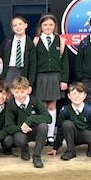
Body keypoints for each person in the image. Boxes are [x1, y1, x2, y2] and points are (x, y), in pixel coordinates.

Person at [48, 81, 91, 162]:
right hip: (73, 136)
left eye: (80, 93)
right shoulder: (64, 110)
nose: (77, 96)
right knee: (66, 124)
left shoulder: (90, 110)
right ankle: (71, 151)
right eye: (74, 94)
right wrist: (55, 148)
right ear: (69, 96)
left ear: (85, 96)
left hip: (87, 134)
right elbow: (60, 130)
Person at [33, 14, 68, 144]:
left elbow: (65, 63)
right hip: (40, 76)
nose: (48, 27)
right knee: (42, 106)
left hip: (55, 76)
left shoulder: (60, 41)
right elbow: (33, 62)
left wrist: (64, 80)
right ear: (41, 26)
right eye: (45, 25)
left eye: (50, 25)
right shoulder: (36, 41)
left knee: (52, 105)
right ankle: (42, 134)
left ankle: (50, 135)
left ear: (55, 26)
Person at [5, 76, 51, 168]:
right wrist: (22, 127)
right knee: (19, 138)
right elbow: (9, 127)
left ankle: (37, 156)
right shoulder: (11, 105)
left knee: (43, 126)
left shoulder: (35, 101)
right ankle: (24, 150)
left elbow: (48, 118)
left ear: (28, 90)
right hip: (20, 132)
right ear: (12, 91)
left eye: (22, 92)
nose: (19, 95)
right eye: (17, 92)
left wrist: (30, 120)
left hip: (34, 130)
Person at [0, 15, 36, 90]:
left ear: (25, 25)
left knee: (20, 93)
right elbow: (1, 56)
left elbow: (33, 64)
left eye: (20, 24)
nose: (18, 27)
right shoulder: (7, 41)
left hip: (23, 71)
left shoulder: (30, 43)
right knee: (9, 93)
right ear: (12, 28)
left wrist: (30, 83)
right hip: (10, 71)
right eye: (15, 25)